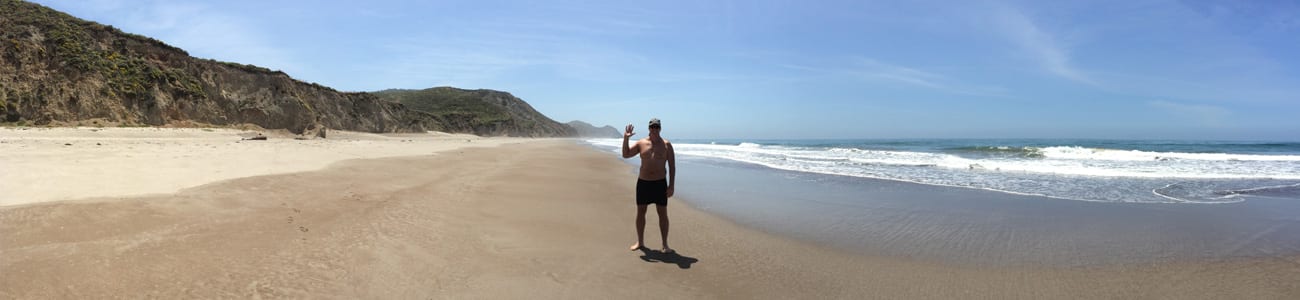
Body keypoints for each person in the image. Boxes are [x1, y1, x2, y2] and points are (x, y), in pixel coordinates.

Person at [623, 118, 676, 253]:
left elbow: (672, 166)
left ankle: (665, 244)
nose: (654, 129)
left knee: (662, 214)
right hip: (644, 183)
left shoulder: (666, 145)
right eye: (652, 127)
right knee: (641, 212)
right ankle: (640, 242)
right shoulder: (642, 143)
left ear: (660, 128)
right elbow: (626, 154)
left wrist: (671, 186)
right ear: (648, 128)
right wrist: (626, 138)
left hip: (660, 183)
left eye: (657, 127)